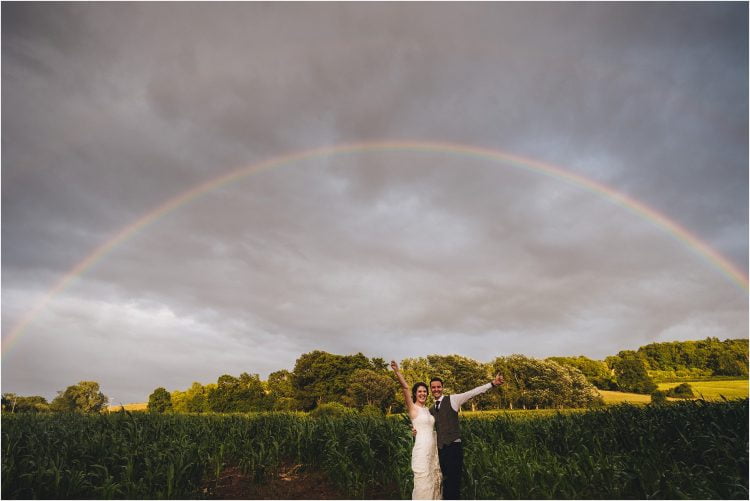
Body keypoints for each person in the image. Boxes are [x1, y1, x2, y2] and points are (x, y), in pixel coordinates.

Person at [430, 373, 504, 500]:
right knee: (445, 480)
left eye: (439, 387)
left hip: (453, 447)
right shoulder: (431, 409)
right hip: (441, 449)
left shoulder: (453, 399)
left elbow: (472, 392)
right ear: (431, 389)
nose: (436, 389)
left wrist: (492, 384)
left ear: (442, 387)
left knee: (454, 481)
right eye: (433, 387)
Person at [391, 360, 442, 500]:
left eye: (425, 391)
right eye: (419, 391)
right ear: (415, 393)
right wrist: (397, 371)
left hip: (433, 451)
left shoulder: (427, 410)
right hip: (421, 451)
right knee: (423, 482)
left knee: (434, 481)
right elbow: (405, 388)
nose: (423, 393)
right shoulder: (413, 409)